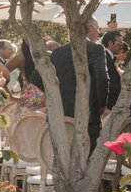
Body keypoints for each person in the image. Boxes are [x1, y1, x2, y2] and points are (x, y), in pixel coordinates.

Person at [28, 19, 106, 148]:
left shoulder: (58, 52)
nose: (98, 32)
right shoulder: (95, 49)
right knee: (86, 155)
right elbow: (101, 78)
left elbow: (36, 79)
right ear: (90, 27)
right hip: (87, 112)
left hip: (59, 114)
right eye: (97, 28)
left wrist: (49, 101)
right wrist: (102, 103)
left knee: (60, 154)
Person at [101, 30, 124, 111]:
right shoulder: (104, 57)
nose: (121, 46)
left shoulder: (109, 57)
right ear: (110, 43)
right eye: (119, 43)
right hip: (107, 106)